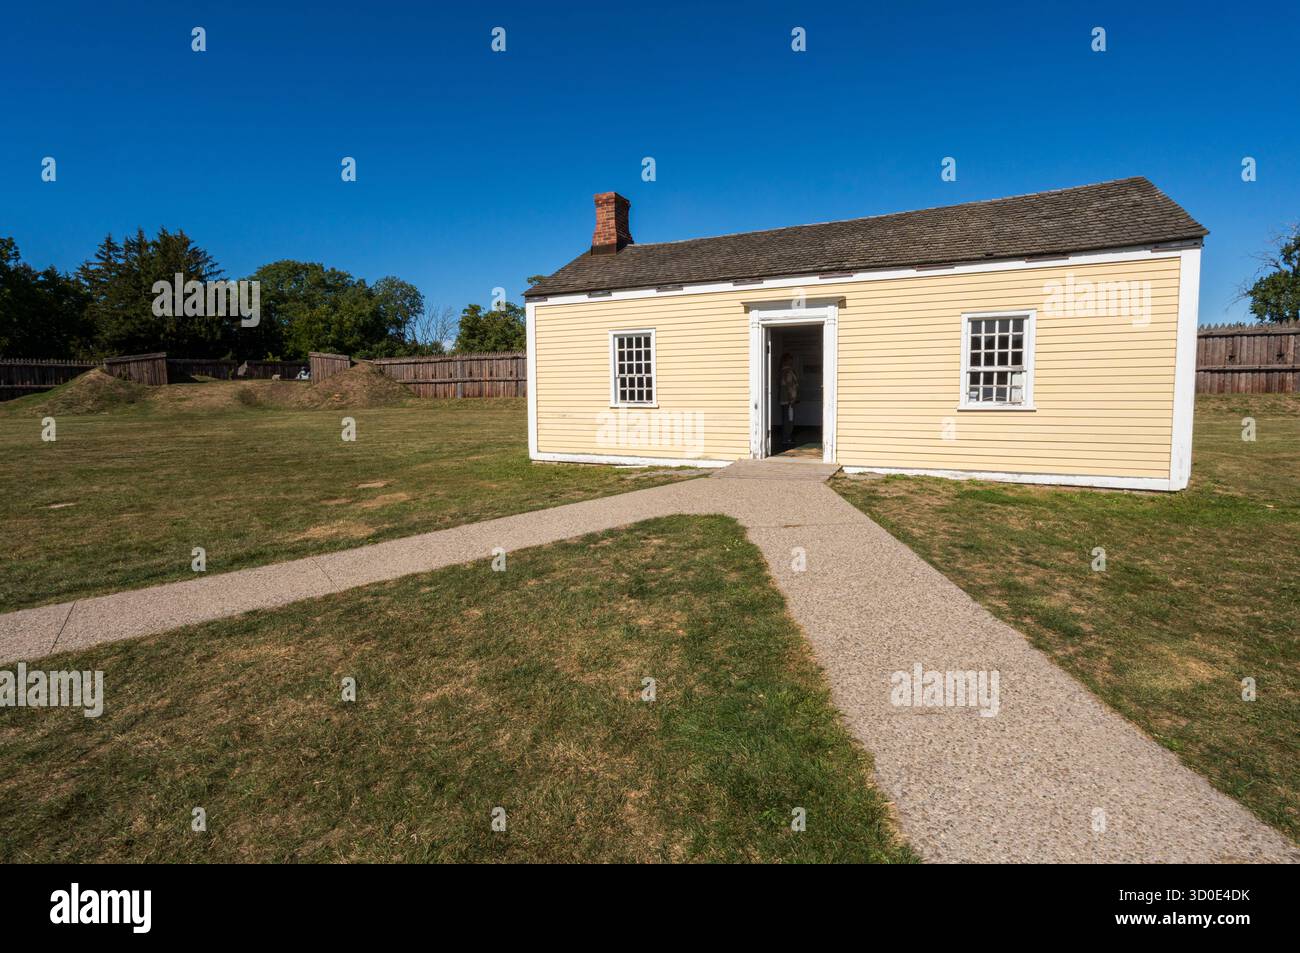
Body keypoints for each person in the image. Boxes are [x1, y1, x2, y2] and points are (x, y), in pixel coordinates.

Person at [779, 352, 799, 447]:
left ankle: (786, 437)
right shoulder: (788, 371)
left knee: (786, 419)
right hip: (788, 400)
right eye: (790, 360)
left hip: (784, 399)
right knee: (789, 420)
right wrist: (792, 398)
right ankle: (787, 438)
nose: (792, 362)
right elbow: (790, 386)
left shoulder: (782, 371)